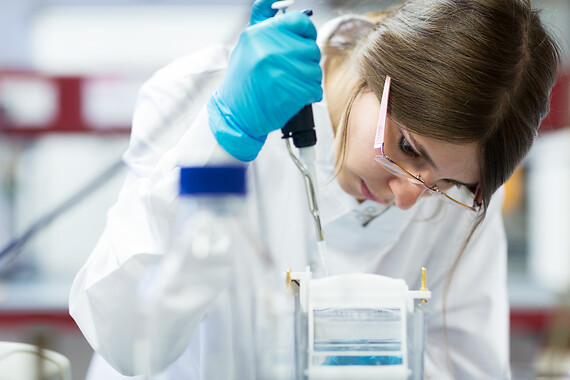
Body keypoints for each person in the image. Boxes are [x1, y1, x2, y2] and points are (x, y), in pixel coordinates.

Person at [69, 0, 561, 379]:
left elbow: (467, 367)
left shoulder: (462, 190)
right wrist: (219, 141)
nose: (411, 196)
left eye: (450, 182)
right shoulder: (198, 95)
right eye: (408, 147)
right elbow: (124, 333)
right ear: (374, 70)